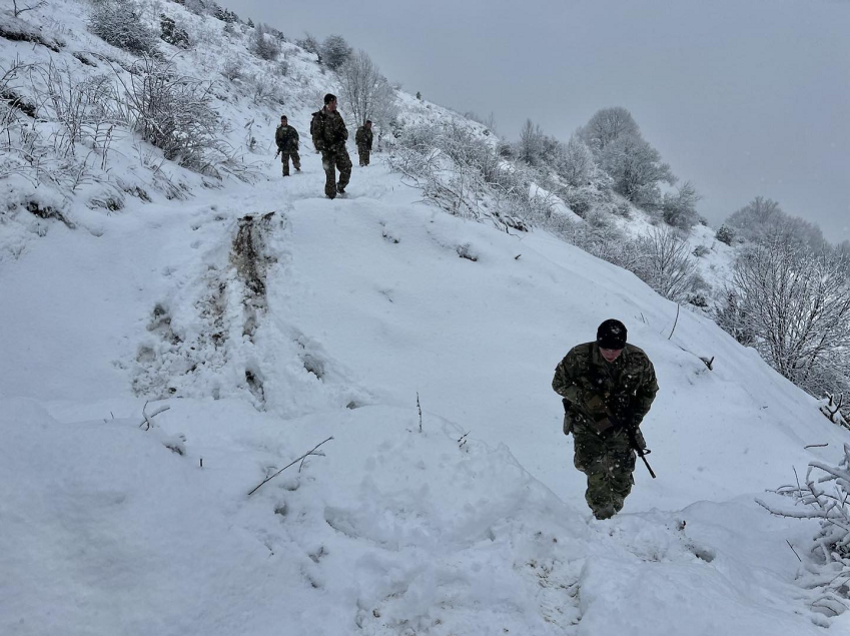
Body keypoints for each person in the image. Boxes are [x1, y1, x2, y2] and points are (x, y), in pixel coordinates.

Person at [552, 319, 658, 520]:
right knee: (596, 468)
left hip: (620, 424)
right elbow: (559, 383)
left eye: (616, 349)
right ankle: (603, 516)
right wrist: (585, 398)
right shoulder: (579, 356)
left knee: (622, 474)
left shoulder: (638, 360)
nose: (610, 353)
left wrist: (634, 417)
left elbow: (649, 389)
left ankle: (613, 512)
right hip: (586, 423)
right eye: (606, 348)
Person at [310, 94, 352, 199]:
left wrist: (341, 138)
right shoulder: (319, 118)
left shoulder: (337, 115)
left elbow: (344, 130)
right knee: (330, 175)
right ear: (327, 103)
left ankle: (341, 186)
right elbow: (316, 137)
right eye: (333, 102)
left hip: (339, 148)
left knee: (347, 168)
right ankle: (330, 198)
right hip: (327, 151)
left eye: (336, 102)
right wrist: (326, 147)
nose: (335, 105)